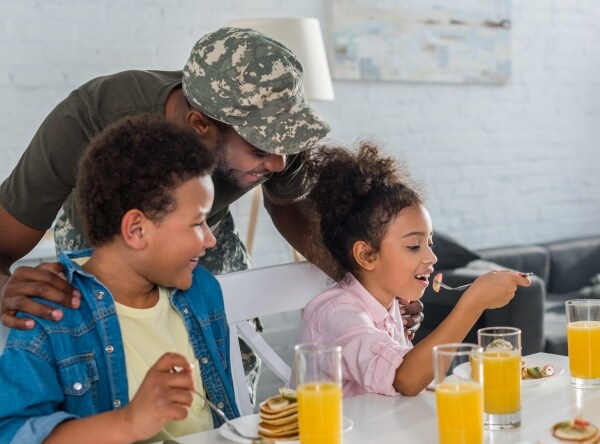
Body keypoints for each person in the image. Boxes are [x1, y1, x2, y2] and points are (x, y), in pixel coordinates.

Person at [0, 26, 425, 400]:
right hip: (101, 241)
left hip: (209, 230)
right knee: (113, 371)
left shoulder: (276, 141)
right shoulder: (89, 119)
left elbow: (289, 206)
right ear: (200, 126)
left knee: (231, 359)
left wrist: (365, 285)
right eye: (260, 150)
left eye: (285, 147)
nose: (279, 162)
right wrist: (5, 289)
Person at [0, 115, 240, 444]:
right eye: (197, 223)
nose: (210, 240)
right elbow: (9, 442)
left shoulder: (202, 292)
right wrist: (130, 421)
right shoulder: (54, 311)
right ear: (136, 229)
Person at [297, 143, 531, 398]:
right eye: (413, 246)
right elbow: (404, 380)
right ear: (366, 255)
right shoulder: (337, 313)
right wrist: (473, 304)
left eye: (429, 243)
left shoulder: (391, 305)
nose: (432, 257)